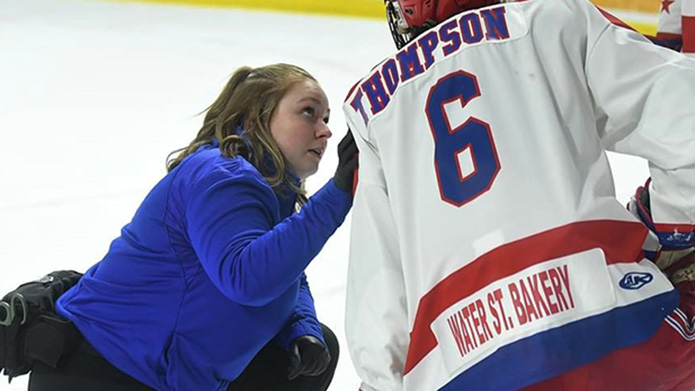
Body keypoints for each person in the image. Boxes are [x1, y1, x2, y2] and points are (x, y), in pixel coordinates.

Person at [341, 0, 695, 390]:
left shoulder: (370, 109)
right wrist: (666, 229)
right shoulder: (554, 18)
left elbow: (378, 312)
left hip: (464, 373)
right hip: (617, 340)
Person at [27, 63, 358, 391]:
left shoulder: (270, 189)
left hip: (156, 374)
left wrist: (302, 326)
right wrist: (337, 194)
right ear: (256, 117)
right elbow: (247, 278)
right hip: (99, 373)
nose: (324, 130)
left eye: (326, 118)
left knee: (314, 352)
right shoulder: (221, 176)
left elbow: (289, 273)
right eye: (308, 113)